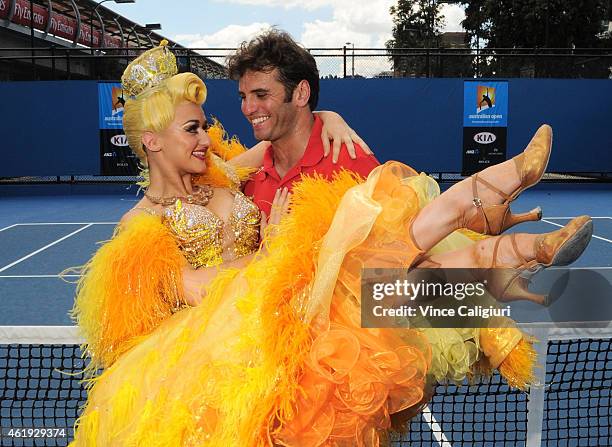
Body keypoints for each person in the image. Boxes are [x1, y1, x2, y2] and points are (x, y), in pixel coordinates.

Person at [69, 41, 593, 446]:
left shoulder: (231, 172)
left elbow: (274, 153)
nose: (212, 134)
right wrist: (276, 249)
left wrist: (326, 117)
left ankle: (507, 245)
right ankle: (503, 249)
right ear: (152, 140)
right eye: (195, 127)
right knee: (367, 271)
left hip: (340, 306)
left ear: (298, 95)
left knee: (381, 258)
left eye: (259, 96)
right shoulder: (158, 220)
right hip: (257, 337)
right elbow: (202, 288)